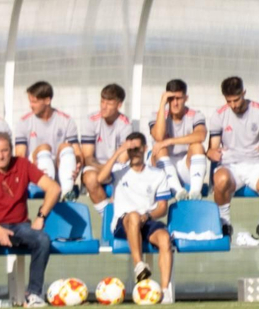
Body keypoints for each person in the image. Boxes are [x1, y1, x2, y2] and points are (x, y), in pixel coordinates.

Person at [0, 131, 60, 308]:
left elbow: (53, 188)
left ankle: (34, 295)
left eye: (5, 150)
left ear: (11, 150)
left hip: (19, 225)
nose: (1, 156)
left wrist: (41, 216)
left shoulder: (23, 165)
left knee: (42, 239)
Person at [106, 132, 175, 294]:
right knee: (134, 216)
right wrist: (118, 152)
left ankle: (165, 292)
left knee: (165, 238)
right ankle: (139, 266)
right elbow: (99, 178)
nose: (134, 152)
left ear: (145, 149)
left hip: (147, 220)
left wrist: (148, 216)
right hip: (123, 222)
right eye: (130, 149)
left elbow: (162, 207)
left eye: (137, 148)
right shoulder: (118, 172)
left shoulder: (157, 174)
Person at [209, 76, 259, 238]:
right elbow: (213, 147)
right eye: (228, 101)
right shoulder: (219, 115)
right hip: (230, 166)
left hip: (254, 164)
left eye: (236, 100)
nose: (233, 105)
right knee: (221, 179)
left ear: (244, 93)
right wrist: (210, 152)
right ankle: (225, 224)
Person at [14, 80, 81, 198]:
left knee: (67, 147)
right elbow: (20, 155)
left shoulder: (66, 121)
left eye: (34, 102)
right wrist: (29, 169)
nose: (31, 105)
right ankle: (47, 190)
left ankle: (67, 192)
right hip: (35, 165)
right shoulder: (24, 122)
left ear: (47, 100)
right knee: (44, 148)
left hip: (59, 166)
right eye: (30, 101)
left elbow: (77, 152)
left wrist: (78, 166)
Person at [150, 79, 210, 201]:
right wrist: (162, 104)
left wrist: (170, 141)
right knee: (160, 149)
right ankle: (178, 192)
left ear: (186, 98)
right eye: (171, 99)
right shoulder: (157, 115)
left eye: (179, 98)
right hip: (163, 169)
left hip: (187, 167)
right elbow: (159, 137)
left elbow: (200, 136)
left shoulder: (195, 115)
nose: (175, 103)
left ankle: (195, 193)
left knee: (198, 146)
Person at [79, 83, 136, 209]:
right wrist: (104, 169)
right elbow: (88, 157)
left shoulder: (126, 125)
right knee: (90, 178)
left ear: (119, 105)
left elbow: (123, 159)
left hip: (117, 168)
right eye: (102, 102)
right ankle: (106, 215)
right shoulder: (91, 120)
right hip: (96, 167)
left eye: (109, 103)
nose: (103, 107)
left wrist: (109, 170)